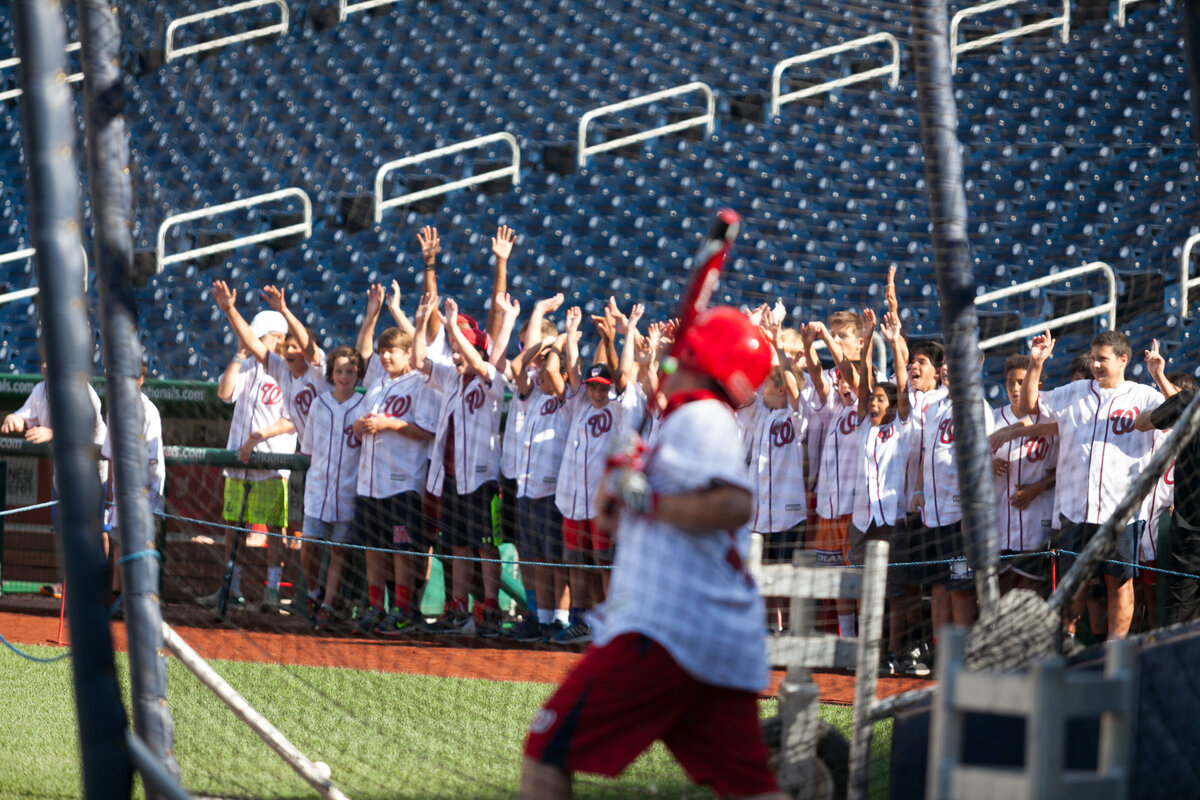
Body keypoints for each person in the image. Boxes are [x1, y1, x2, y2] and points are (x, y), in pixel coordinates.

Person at [521, 306, 787, 800]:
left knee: (547, 747)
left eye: (684, 348)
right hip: (711, 634)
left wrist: (643, 495)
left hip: (666, 626)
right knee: (751, 788)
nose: (671, 352)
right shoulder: (676, 420)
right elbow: (608, 518)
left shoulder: (702, 417)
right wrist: (620, 477)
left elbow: (733, 503)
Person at [1015, 329, 1163, 640]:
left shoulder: (1144, 395)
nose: (1095, 364)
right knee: (1072, 586)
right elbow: (1028, 406)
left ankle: (1115, 653)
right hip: (1075, 512)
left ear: (1123, 360)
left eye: (1102, 359)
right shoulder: (1075, 391)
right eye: (1093, 358)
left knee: (1118, 584)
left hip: (1120, 513)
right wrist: (1036, 363)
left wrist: (1160, 377)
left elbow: (1180, 411)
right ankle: (1065, 645)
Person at [415, 291, 519, 636]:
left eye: (462, 348)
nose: (456, 354)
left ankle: (490, 608)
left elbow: (481, 362)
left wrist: (452, 326)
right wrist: (420, 324)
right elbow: (419, 361)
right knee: (457, 544)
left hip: (481, 477)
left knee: (485, 545)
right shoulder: (450, 378)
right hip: (450, 476)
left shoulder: (490, 378)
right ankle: (457, 606)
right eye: (454, 349)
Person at [349, 287, 440, 636]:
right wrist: (360, 426)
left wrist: (389, 424)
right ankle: (376, 606)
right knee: (374, 549)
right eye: (383, 352)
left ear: (408, 354)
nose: (386, 357)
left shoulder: (421, 384)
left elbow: (427, 430)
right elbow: (358, 426)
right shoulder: (375, 386)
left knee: (403, 548)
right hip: (370, 482)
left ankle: (403, 609)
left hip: (403, 483)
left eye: (394, 352)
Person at [197, 307, 297, 613]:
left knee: (274, 528)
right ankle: (232, 588)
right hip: (238, 461)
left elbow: (294, 419)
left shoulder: (290, 370)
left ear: (278, 339)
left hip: (271, 461)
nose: (251, 339)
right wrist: (238, 356)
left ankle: (271, 591)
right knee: (233, 527)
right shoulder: (247, 365)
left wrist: (260, 435)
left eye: (258, 336)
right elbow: (224, 394)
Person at [300, 347, 367, 632]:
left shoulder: (365, 406)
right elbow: (308, 449)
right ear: (331, 374)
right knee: (308, 546)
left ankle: (327, 605)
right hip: (317, 487)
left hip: (348, 490)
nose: (344, 376)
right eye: (339, 371)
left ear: (357, 375)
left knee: (339, 550)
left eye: (349, 371)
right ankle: (314, 594)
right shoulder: (319, 404)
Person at [991, 354, 1058, 594]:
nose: (1016, 388)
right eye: (1011, 382)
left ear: (1036, 384)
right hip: (999, 520)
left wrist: (1036, 488)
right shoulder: (993, 418)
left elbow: (1060, 471)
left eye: (1022, 381)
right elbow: (968, 466)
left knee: (1030, 590)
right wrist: (987, 466)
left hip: (1035, 519)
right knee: (1001, 588)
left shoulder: (1049, 420)